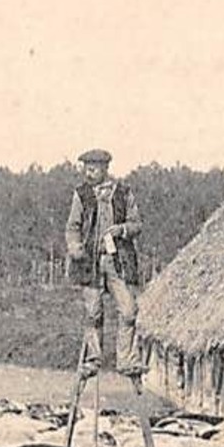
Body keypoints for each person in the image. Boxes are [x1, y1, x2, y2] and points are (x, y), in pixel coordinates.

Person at [65, 148, 148, 390]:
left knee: (129, 310)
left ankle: (126, 360)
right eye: (86, 167)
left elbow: (137, 224)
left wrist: (121, 229)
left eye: (94, 168)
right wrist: (74, 246)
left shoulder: (123, 193)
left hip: (117, 263)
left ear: (105, 168)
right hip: (91, 264)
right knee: (93, 314)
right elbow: (73, 226)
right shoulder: (81, 195)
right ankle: (93, 360)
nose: (89, 172)